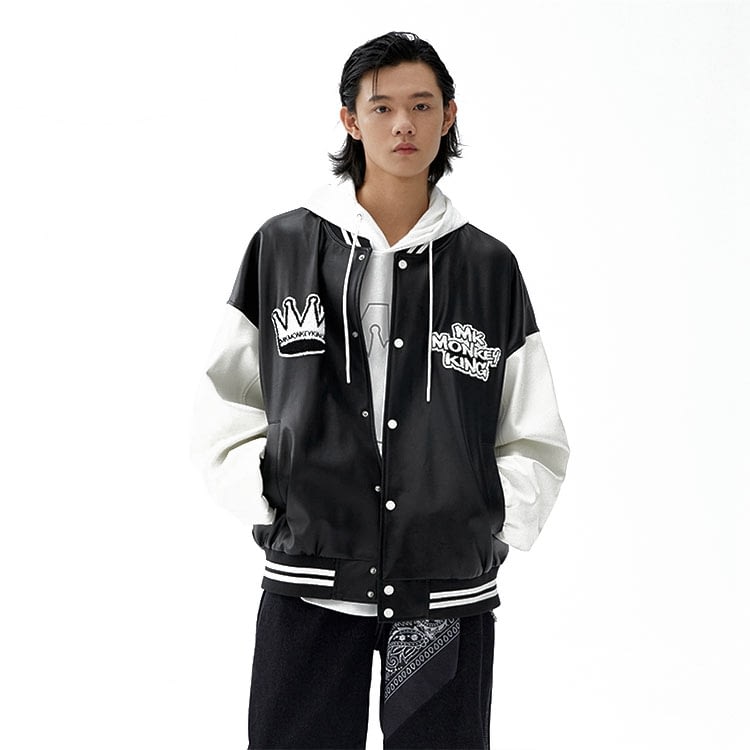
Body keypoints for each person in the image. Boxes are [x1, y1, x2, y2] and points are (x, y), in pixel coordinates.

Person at [190, 31, 570, 750]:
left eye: (422, 106)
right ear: (350, 119)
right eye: (383, 107)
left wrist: (488, 521)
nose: (403, 125)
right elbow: (226, 404)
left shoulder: (488, 267)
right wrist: (272, 496)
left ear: (449, 117)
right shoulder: (283, 247)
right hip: (313, 582)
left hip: (441, 595)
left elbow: (532, 426)